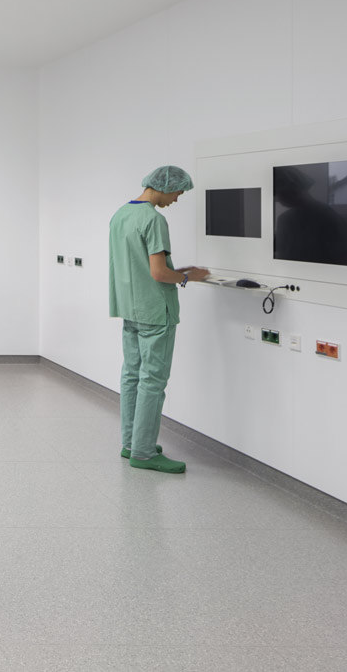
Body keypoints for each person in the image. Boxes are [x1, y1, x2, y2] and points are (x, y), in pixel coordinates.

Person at [108, 165, 210, 474]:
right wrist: (189, 277)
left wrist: (179, 271)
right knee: (152, 382)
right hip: (155, 311)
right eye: (178, 192)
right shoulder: (154, 219)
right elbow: (158, 272)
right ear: (164, 187)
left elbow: (137, 264)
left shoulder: (120, 215)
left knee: (132, 376)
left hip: (129, 308)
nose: (177, 198)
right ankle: (144, 453)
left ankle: (131, 443)